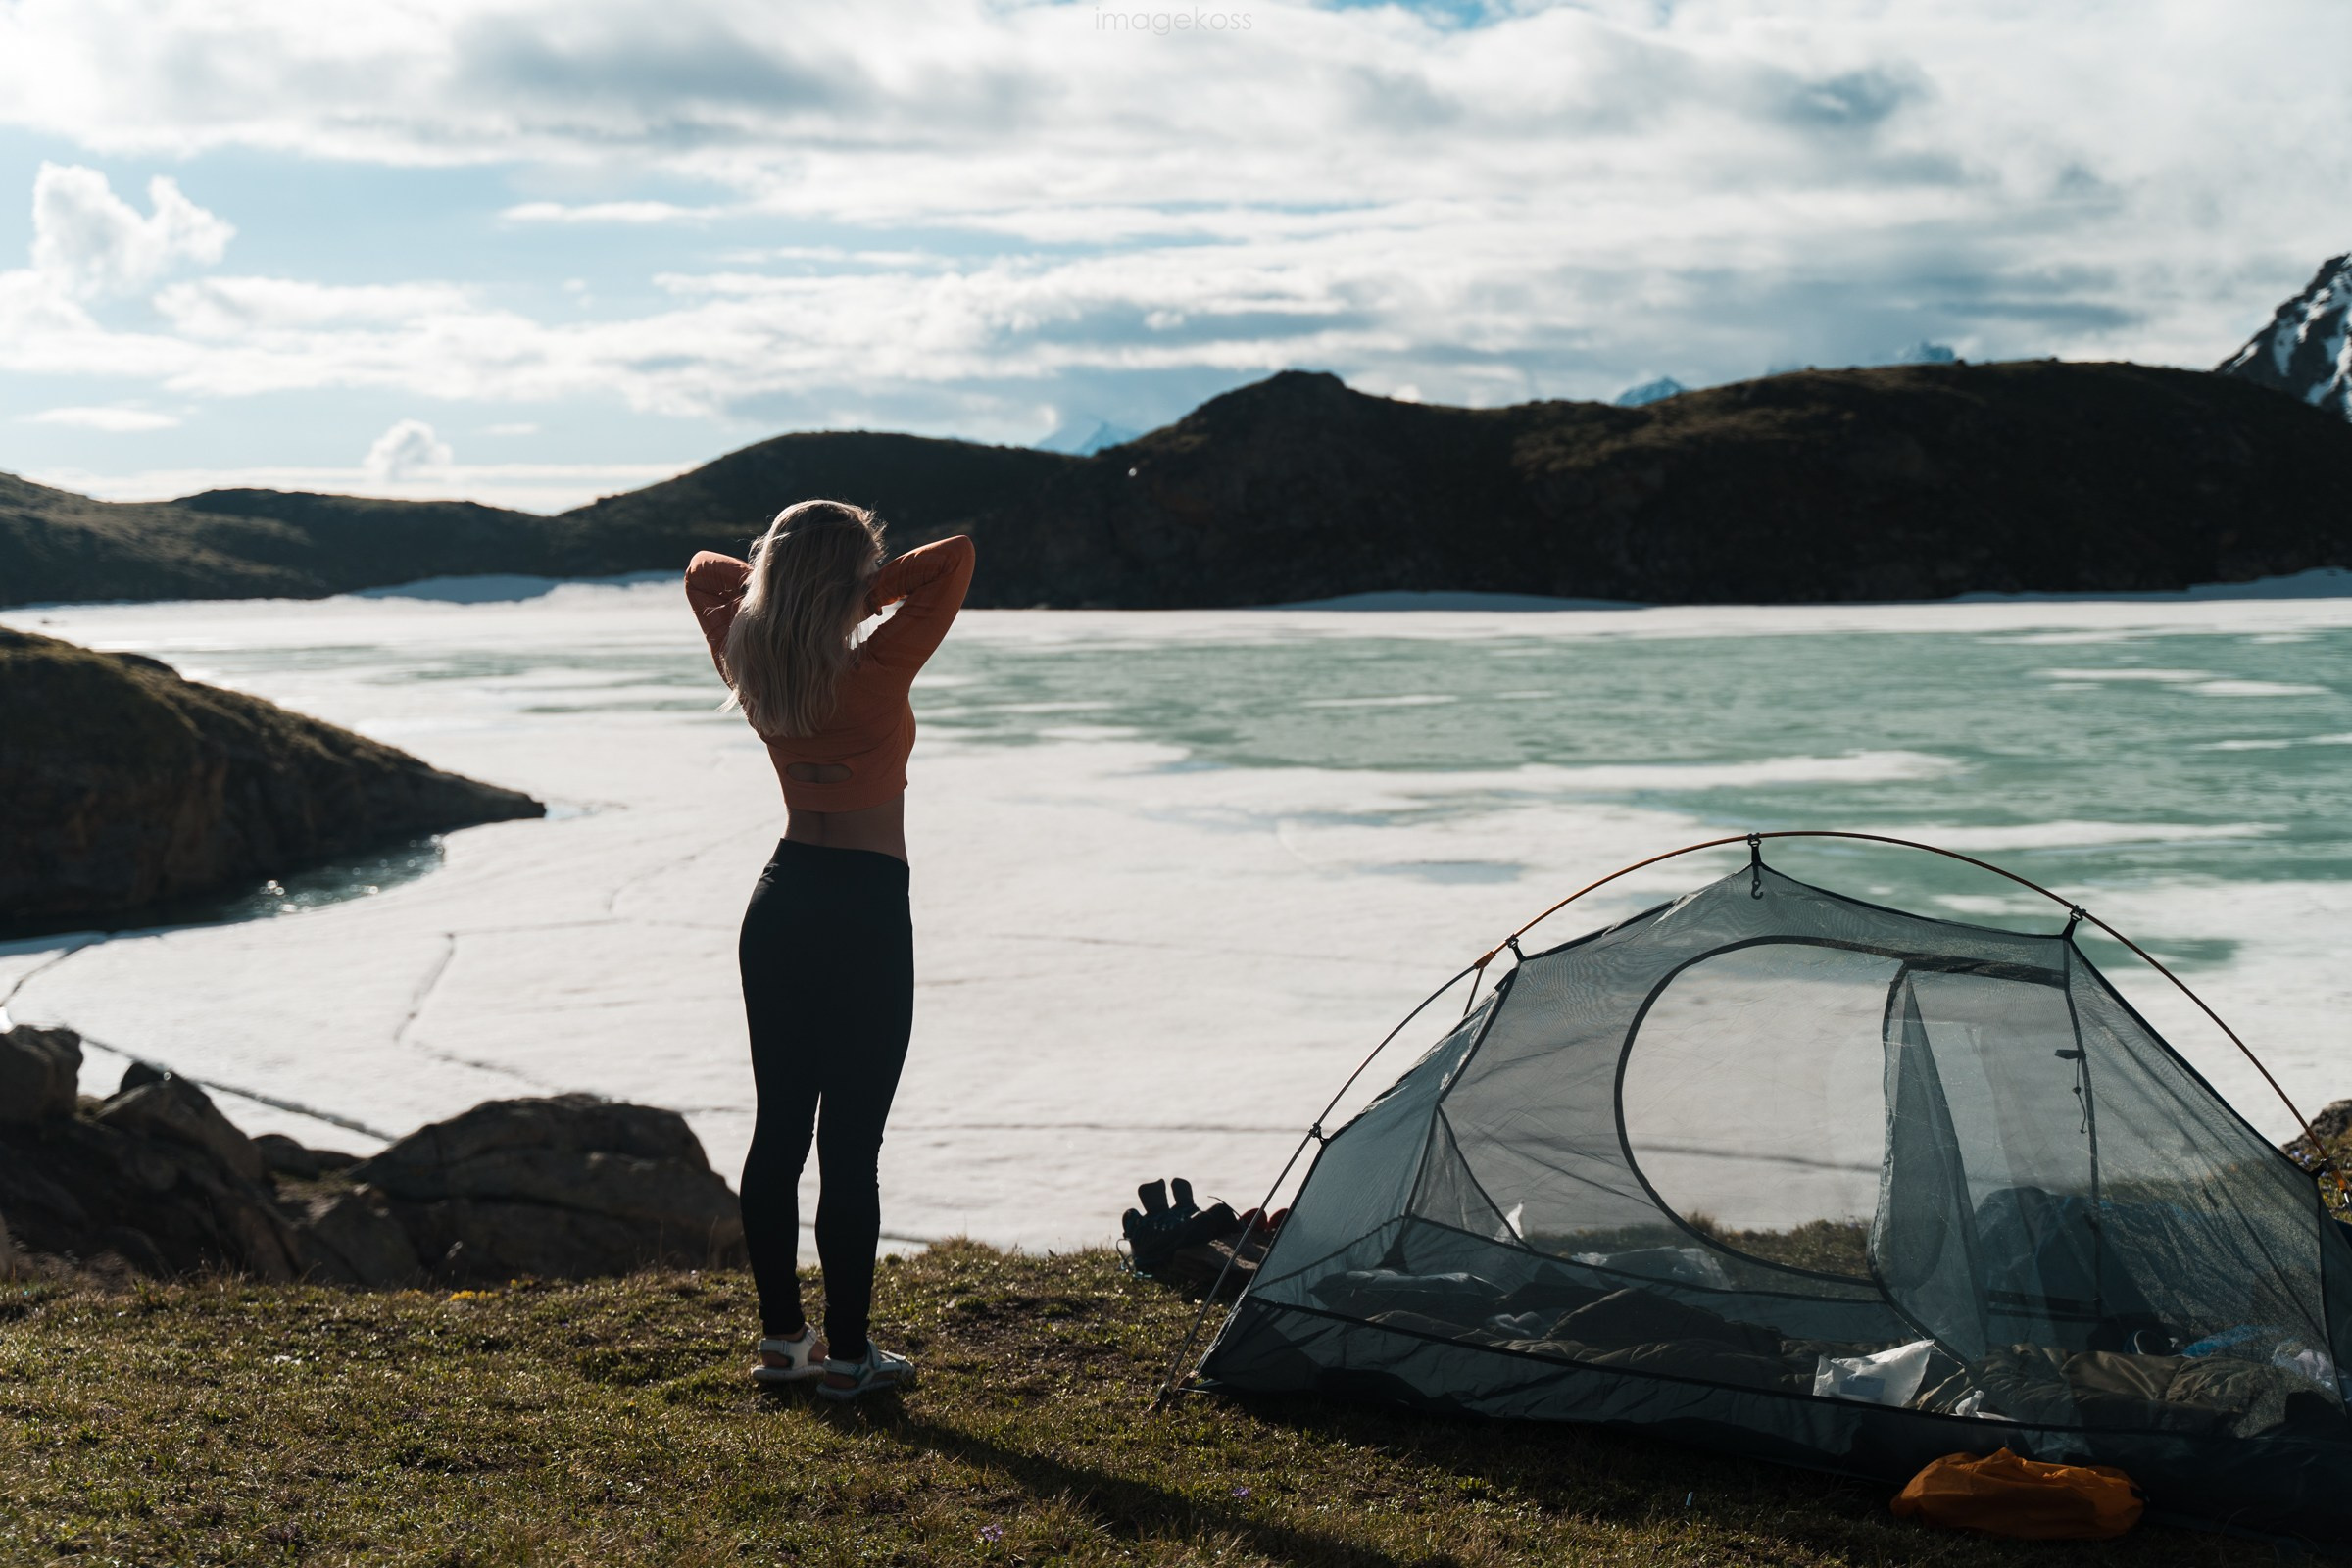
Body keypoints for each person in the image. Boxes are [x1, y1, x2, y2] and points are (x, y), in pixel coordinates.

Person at [684, 500, 975, 1400]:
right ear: (848, 585)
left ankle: (785, 1345)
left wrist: (798, 590)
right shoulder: (876, 668)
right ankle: (851, 1357)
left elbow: (705, 569)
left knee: (779, 1132)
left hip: (780, 901)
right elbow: (954, 557)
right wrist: (861, 592)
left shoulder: (751, 655)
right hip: (864, 912)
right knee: (851, 1144)